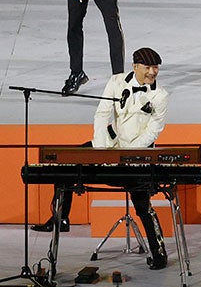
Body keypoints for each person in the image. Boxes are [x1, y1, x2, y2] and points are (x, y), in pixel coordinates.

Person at [33, 46, 170, 270]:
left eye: (156, 68)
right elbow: (102, 113)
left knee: (143, 205)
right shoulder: (116, 82)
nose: (153, 72)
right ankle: (61, 219)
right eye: (148, 67)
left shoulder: (160, 96)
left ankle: (159, 254)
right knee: (66, 165)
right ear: (135, 66)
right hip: (108, 144)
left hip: (136, 154)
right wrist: (103, 150)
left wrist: (125, 155)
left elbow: (153, 131)